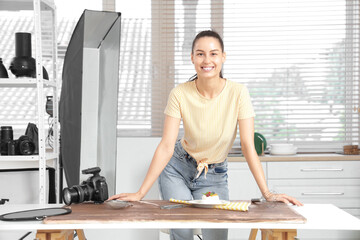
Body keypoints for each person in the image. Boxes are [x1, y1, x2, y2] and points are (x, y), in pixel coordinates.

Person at [109, 30, 303, 240]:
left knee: (217, 234)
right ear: (192, 58)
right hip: (177, 168)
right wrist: (140, 193)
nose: (207, 60)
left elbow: (248, 145)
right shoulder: (180, 93)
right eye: (200, 54)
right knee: (182, 229)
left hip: (214, 175)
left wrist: (267, 194)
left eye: (213, 53)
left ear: (223, 57)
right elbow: (166, 145)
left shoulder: (238, 93)